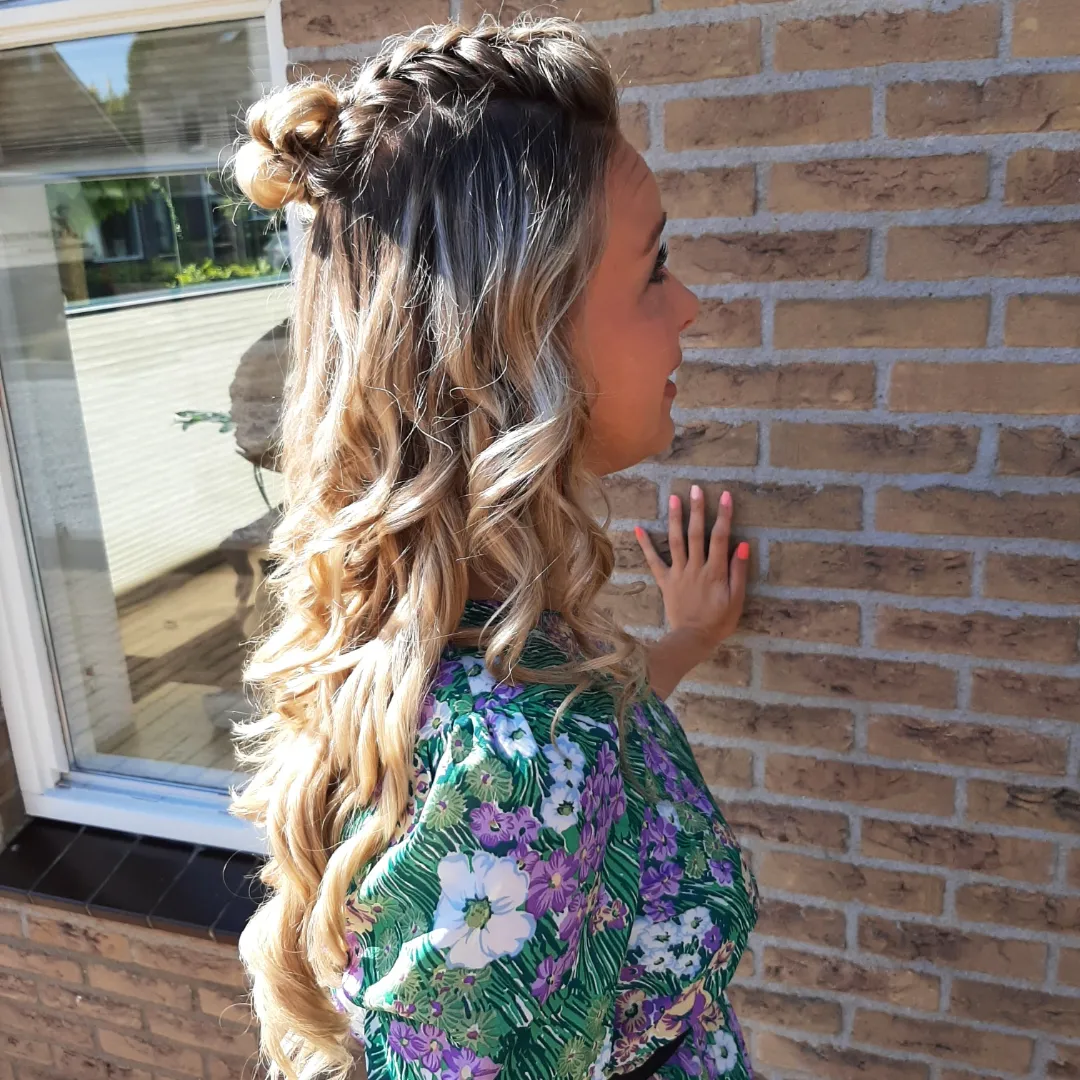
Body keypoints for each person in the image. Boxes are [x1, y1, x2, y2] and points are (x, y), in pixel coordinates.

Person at [228, 13, 758, 1080]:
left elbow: (567, 765)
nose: (691, 306)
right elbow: (538, 778)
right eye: (654, 271)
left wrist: (683, 644)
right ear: (520, 341)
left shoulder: (459, 660)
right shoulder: (511, 762)